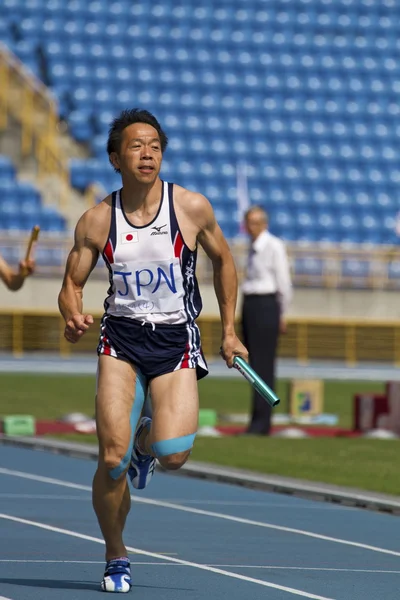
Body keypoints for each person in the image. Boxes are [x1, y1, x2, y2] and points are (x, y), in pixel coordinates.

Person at [58, 108, 248, 594]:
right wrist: (72, 313)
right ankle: (116, 553)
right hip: (120, 337)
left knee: (175, 454)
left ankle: (148, 444)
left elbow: (225, 261)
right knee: (110, 458)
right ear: (116, 158)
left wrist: (229, 330)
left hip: (175, 339)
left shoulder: (190, 207)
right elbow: (71, 283)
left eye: (155, 146)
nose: (147, 153)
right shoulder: (98, 219)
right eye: (137, 146)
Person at [241, 206, 292, 435]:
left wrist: (282, 313)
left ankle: (263, 422)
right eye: (248, 222)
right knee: (253, 367)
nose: (249, 227)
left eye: (254, 222)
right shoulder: (252, 248)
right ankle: (256, 419)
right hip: (251, 304)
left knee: (264, 366)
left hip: (266, 305)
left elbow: (284, 283)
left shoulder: (274, 246)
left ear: (263, 223)